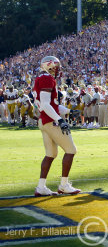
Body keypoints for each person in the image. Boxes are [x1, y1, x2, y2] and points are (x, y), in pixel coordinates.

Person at [33, 56, 80, 196]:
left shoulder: (40, 78)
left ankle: (41, 187)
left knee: (50, 154)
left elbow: (51, 105)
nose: (58, 69)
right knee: (71, 150)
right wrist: (60, 120)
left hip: (44, 120)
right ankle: (64, 185)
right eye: (56, 66)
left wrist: (69, 111)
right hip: (50, 121)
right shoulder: (47, 78)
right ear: (49, 66)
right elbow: (47, 105)